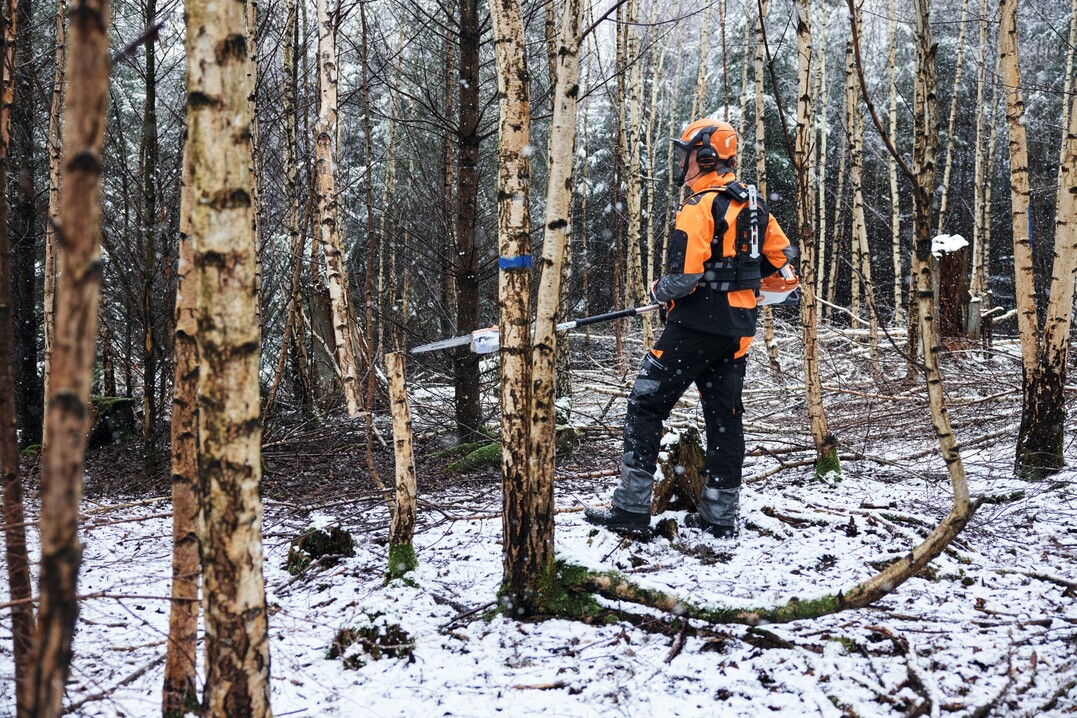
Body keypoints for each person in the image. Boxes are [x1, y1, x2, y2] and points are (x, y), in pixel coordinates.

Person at [585, 118, 796, 539]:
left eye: (685, 156)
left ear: (706, 157)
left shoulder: (698, 207)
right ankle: (719, 517)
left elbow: (682, 277)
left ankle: (630, 508)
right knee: (724, 417)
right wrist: (744, 286)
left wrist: (659, 288)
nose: (680, 164)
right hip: (739, 329)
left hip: (695, 324)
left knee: (646, 403)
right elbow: (784, 269)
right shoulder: (754, 205)